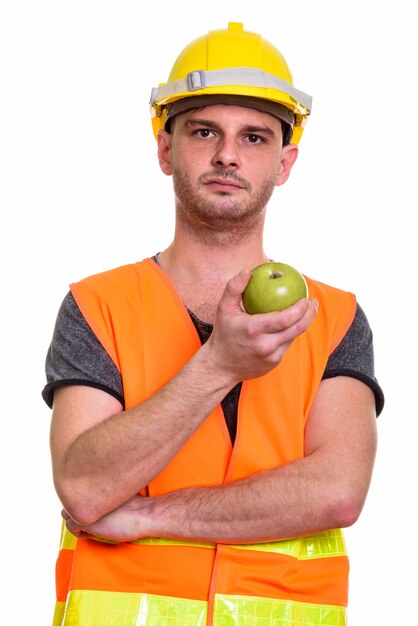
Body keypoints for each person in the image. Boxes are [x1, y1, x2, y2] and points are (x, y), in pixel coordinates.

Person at [43, 22, 384, 626]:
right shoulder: (97, 305)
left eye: (254, 136)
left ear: (285, 162)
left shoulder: (333, 319)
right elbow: (85, 488)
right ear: (165, 150)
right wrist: (220, 364)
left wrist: (148, 516)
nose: (228, 154)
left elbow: (337, 491)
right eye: (205, 131)